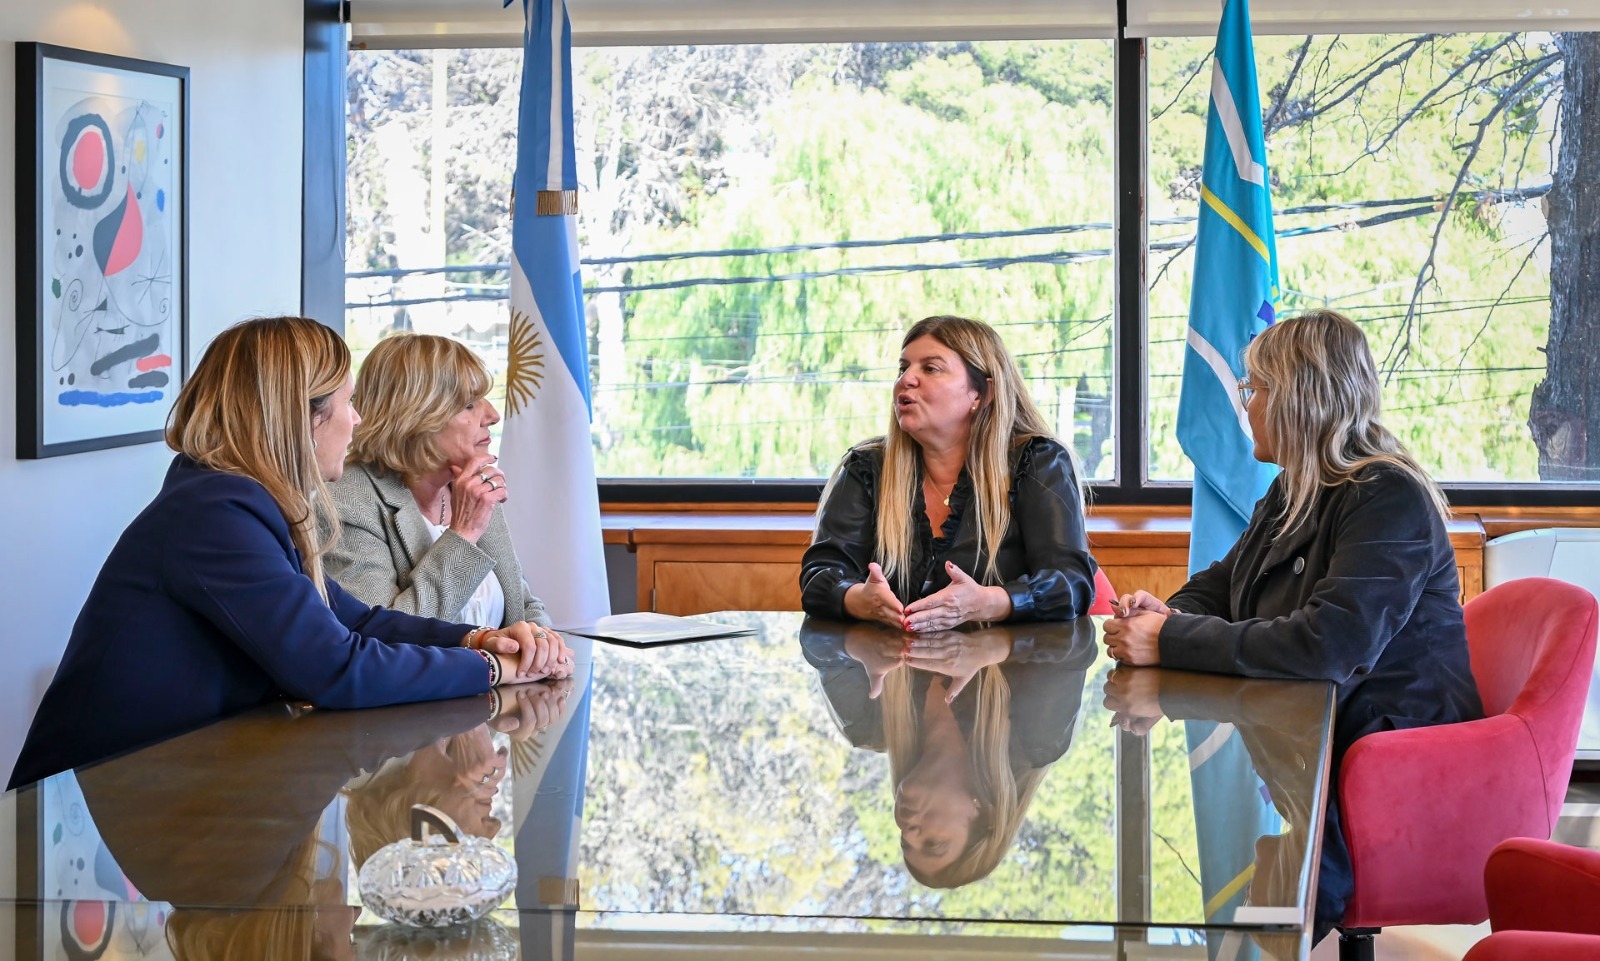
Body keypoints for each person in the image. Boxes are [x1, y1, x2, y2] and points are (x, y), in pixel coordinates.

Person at [9, 316, 571, 790]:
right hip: (88, 804)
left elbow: (355, 620)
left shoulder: (239, 500)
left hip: (170, 784)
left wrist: (477, 639)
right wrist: (492, 668)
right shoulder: (216, 512)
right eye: (347, 403)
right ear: (300, 416)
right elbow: (336, 669)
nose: (357, 420)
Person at [1099, 309, 1484, 940]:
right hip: (1309, 736)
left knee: (1260, 931)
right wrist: (1165, 614)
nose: (1244, 405)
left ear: (1300, 396)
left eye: (1253, 388)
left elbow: (1327, 644)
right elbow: (1222, 585)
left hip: (1391, 758)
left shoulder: (1386, 496)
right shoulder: (1291, 491)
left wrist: (1168, 640)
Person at [801, 315, 1097, 632]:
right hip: (889, 660)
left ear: (981, 394)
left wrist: (988, 602)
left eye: (930, 368)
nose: (906, 380)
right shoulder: (867, 467)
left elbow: (1071, 583)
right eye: (903, 368)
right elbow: (821, 574)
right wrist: (858, 599)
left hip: (1009, 661)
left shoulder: (1037, 460)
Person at [801, 617, 1097, 887]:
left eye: (905, 843)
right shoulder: (1037, 739)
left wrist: (855, 640)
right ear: (983, 811)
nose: (907, 831)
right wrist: (992, 646)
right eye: (934, 844)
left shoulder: (867, 724)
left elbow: (816, 634)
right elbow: (1075, 635)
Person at [324, 333, 555, 632]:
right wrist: (464, 533)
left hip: (501, 666)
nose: (493, 415)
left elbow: (521, 603)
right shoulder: (347, 500)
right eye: (469, 404)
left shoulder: (471, 484)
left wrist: (542, 640)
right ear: (414, 417)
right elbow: (383, 636)